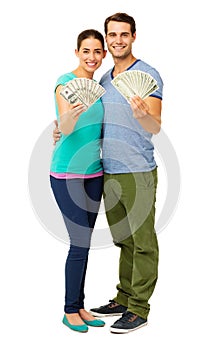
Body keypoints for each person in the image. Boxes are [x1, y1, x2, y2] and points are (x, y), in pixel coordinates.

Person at [53, 13, 163, 334]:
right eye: (111, 35)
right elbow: (88, 127)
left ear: (133, 37)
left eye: (123, 35)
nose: (117, 40)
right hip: (107, 172)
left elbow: (155, 126)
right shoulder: (101, 82)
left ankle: (139, 308)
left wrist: (144, 115)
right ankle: (124, 297)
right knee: (123, 240)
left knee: (142, 242)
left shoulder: (147, 73)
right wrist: (60, 130)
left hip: (138, 170)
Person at [50, 29, 107, 333]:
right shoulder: (64, 84)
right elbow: (67, 127)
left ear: (103, 55)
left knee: (85, 243)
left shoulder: (98, 89)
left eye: (97, 51)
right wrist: (67, 119)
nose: (91, 57)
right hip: (66, 174)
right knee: (78, 242)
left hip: (94, 174)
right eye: (86, 51)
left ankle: (80, 305)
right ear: (77, 53)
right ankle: (69, 309)